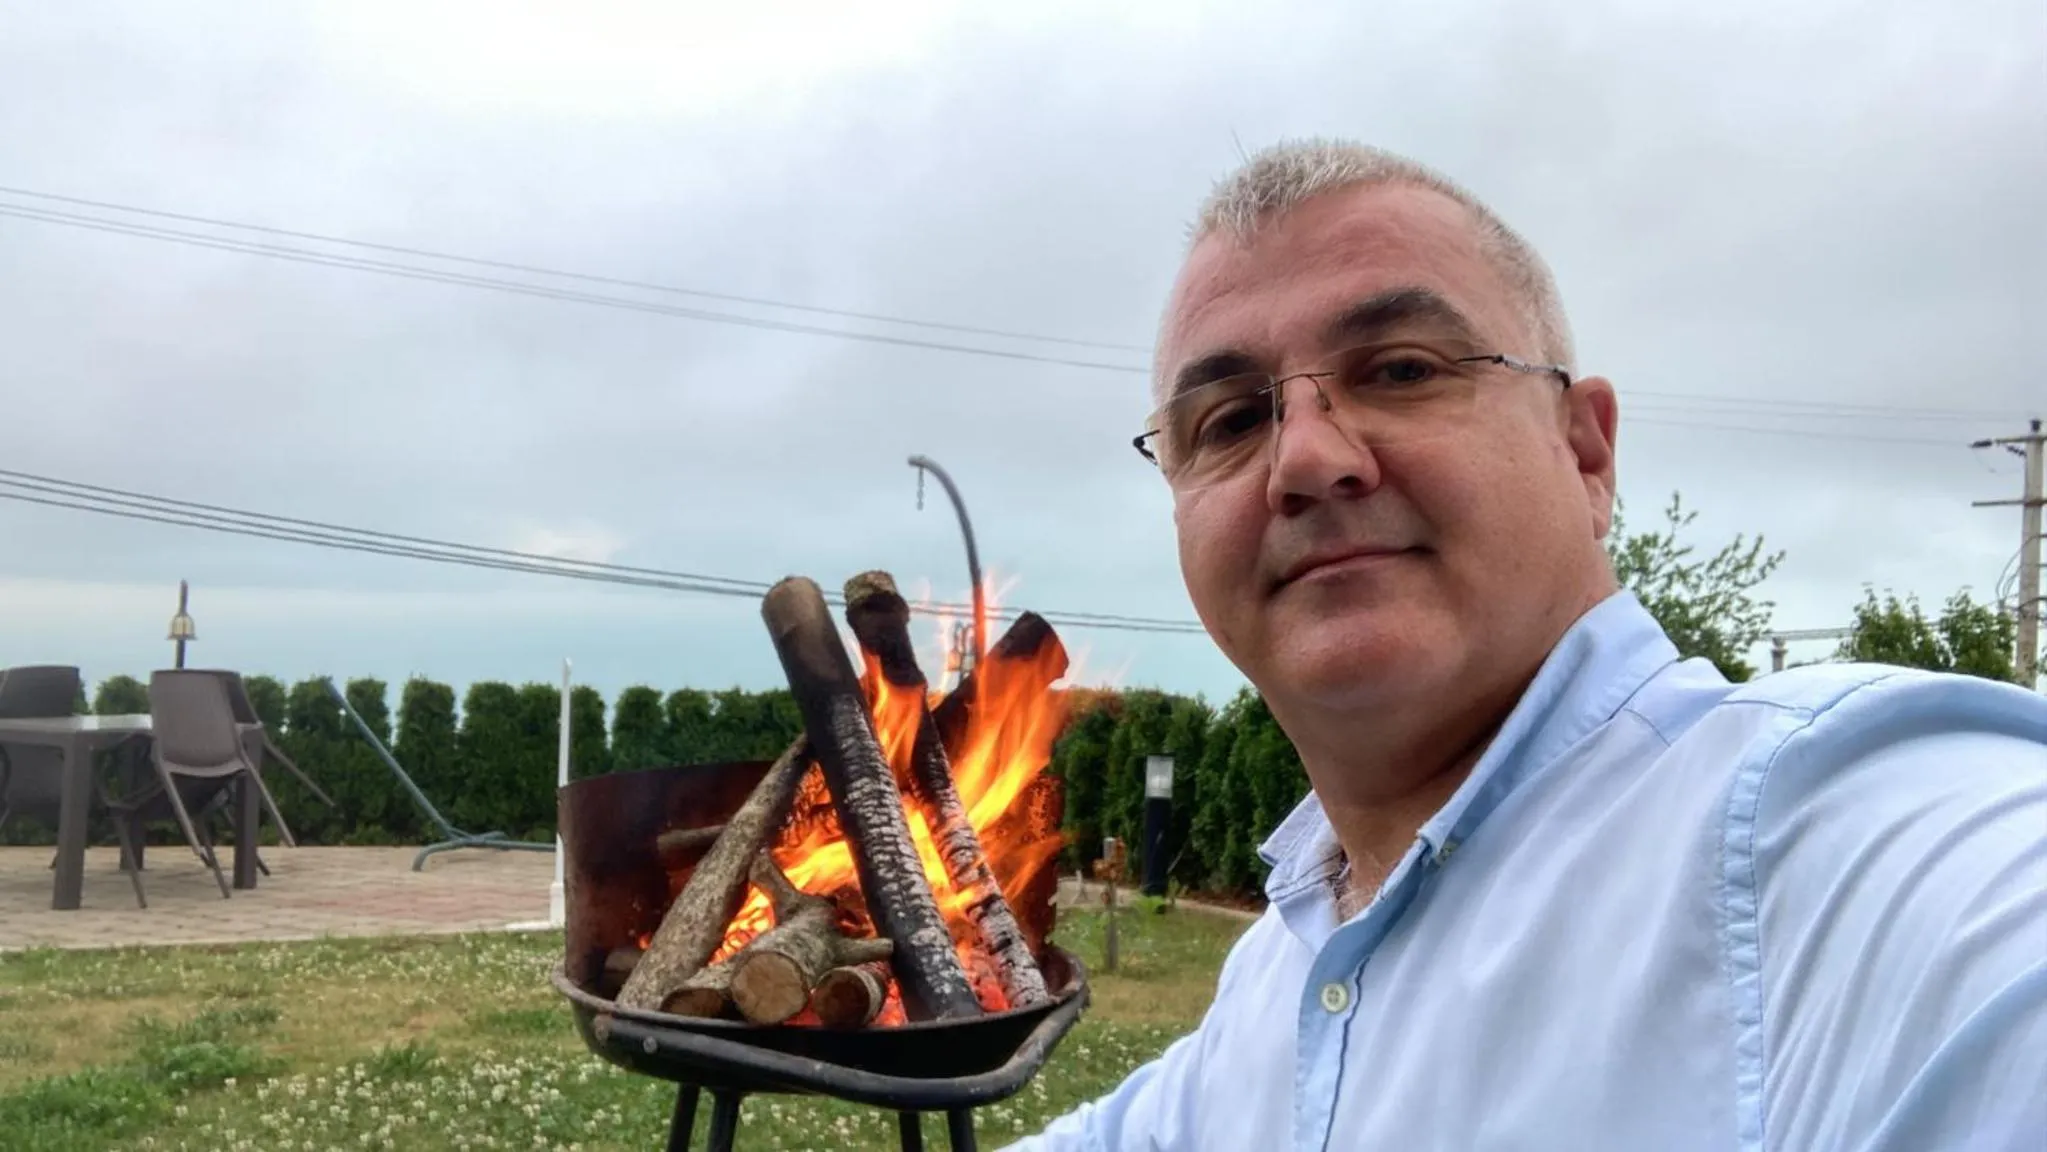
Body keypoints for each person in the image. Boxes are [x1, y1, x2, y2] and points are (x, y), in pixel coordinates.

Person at [1004, 139, 2047, 1151]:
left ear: (1585, 453)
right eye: (1230, 421)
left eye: (1402, 369)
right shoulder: (1282, 972)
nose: (1308, 458)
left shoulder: (1840, 847)